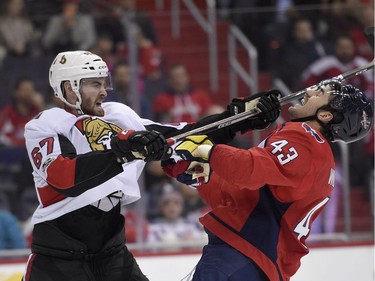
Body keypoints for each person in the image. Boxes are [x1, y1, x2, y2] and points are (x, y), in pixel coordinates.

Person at [22, 50, 280, 281]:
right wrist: (122, 153)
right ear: (68, 88)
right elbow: (63, 177)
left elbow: (182, 135)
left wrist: (237, 119)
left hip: (111, 253)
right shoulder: (44, 125)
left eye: (104, 83)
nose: (104, 91)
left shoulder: (118, 115)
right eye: (94, 84)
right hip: (57, 259)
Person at [163, 80, 373, 280]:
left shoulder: (306, 139)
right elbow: (246, 197)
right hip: (255, 261)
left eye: (319, 93)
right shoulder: (319, 157)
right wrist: (202, 177)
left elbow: (247, 170)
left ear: (325, 115)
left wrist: (205, 150)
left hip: (241, 256)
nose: (308, 92)